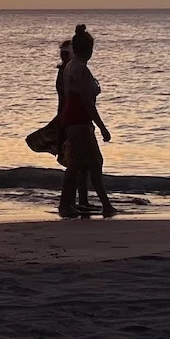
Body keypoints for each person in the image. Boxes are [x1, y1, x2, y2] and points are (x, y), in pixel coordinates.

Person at [58, 27, 115, 218]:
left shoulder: (70, 67)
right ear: (89, 50)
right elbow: (86, 102)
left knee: (80, 163)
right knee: (91, 162)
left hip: (73, 119)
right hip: (80, 121)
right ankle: (72, 204)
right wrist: (102, 127)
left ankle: (75, 203)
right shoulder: (80, 70)